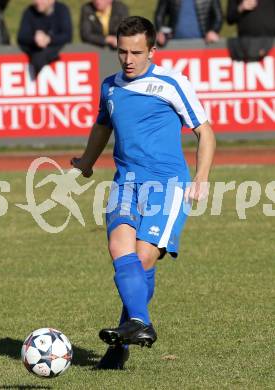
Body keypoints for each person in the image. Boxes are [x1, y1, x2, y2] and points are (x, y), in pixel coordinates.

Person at [72, 16, 216, 370]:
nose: (128, 59)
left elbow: (206, 131)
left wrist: (201, 177)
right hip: (125, 183)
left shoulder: (171, 83)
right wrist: (87, 163)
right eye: (122, 52)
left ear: (152, 49)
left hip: (167, 185)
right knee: (118, 248)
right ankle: (137, 324)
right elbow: (102, 126)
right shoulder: (110, 86)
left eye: (136, 52)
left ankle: (124, 339)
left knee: (144, 257)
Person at [17, 0, 72, 75]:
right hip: (35, 53)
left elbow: (67, 36)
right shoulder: (29, 12)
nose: (38, 2)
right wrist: (35, 39)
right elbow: (21, 37)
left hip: (56, 53)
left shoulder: (62, 10)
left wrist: (49, 39)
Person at [154, 0, 223, 46]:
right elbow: (159, 15)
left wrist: (213, 31)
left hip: (204, 43)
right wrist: (161, 32)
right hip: (174, 43)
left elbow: (218, 16)